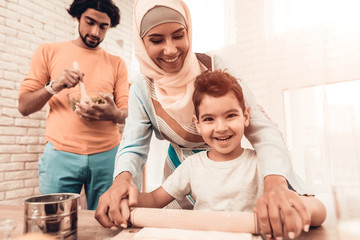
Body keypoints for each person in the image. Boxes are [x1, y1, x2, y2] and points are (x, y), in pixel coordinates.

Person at [95, 0, 312, 238]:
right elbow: (132, 146)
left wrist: (275, 184)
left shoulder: (213, 67)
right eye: (156, 40)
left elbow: (262, 128)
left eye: (179, 35)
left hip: (236, 174)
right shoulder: (142, 88)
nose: (170, 49)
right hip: (182, 173)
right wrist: (121, 182)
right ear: (141, 41)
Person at [118, 70, 327, 239]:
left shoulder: (262, 165)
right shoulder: (192, 167)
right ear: (197, 124)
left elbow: (319, 210)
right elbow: (155, 200)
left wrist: (302, 209)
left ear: (246, 116)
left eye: (230, 115)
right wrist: (125, 203)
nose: (221, 127)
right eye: (209, 119)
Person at [18, 0, 129, 210]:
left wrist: (112, 114)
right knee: (56, 221)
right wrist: (54, 86)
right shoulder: (48, 52)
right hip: (60, 154)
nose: (95, 31)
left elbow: (126, 113)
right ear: (78, 17)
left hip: (107, 156)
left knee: (107, 222)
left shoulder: (117, 63)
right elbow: (24, 106)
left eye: (103, 26)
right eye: (90, 22)